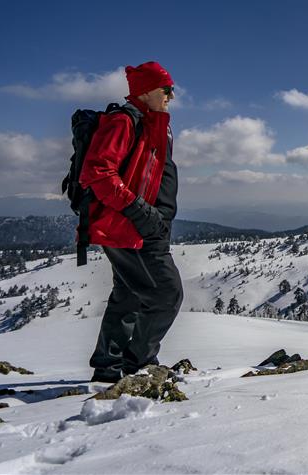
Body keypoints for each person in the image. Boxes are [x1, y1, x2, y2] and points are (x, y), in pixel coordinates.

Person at [79, 61, 182, 383]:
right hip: (132, 227)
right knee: (167, 294)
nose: (171, 96)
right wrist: (141, 211)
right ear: (149, 90)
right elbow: (96, 173)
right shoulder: (124, 121)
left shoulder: (152, 123)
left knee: (129, 295)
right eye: (167, 89)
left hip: (140, 226)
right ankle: (138, 363)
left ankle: (108, 367)